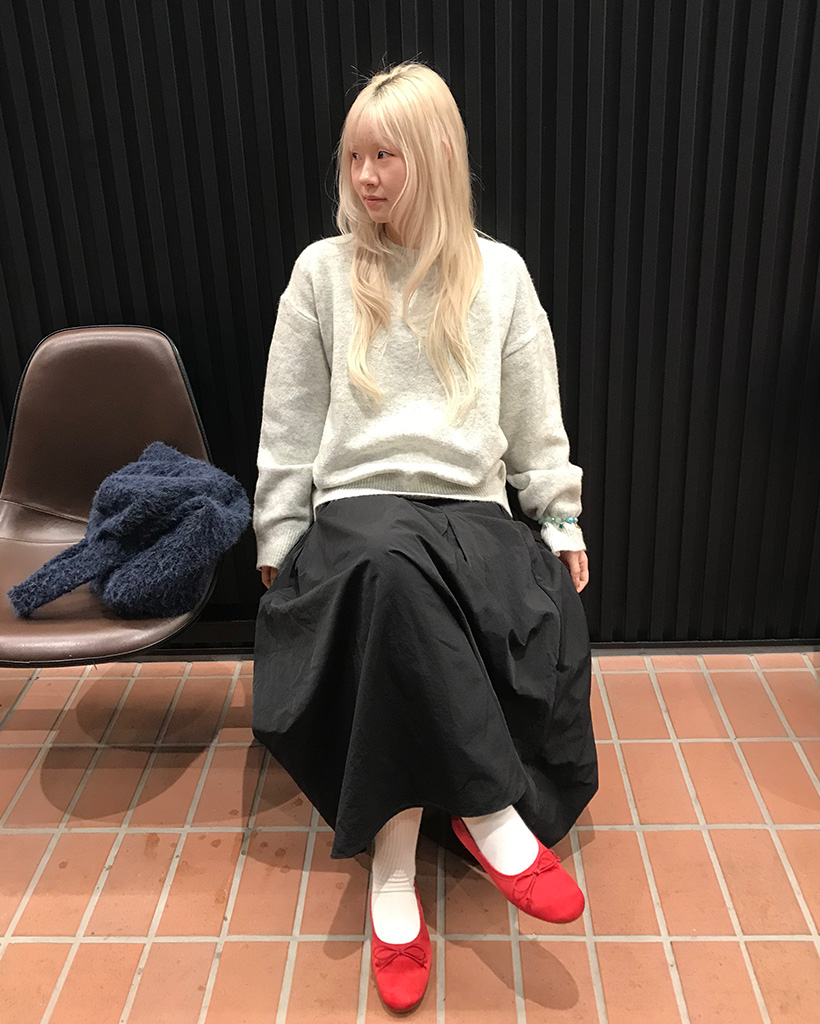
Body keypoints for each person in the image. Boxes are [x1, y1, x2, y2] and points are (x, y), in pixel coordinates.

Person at [252, 61, 597, 1013]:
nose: (365, 176)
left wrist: (559, 513)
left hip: (471, 515)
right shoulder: (321, 274)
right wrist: (278, 535)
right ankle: (486, 815)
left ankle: (394, 871)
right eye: (354, 157)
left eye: (386, 156)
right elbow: (289, 422)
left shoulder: (500, 275)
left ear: (437, 155)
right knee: (387, 566)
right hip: (358, 514)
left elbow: (534, 418)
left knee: (403, 579)